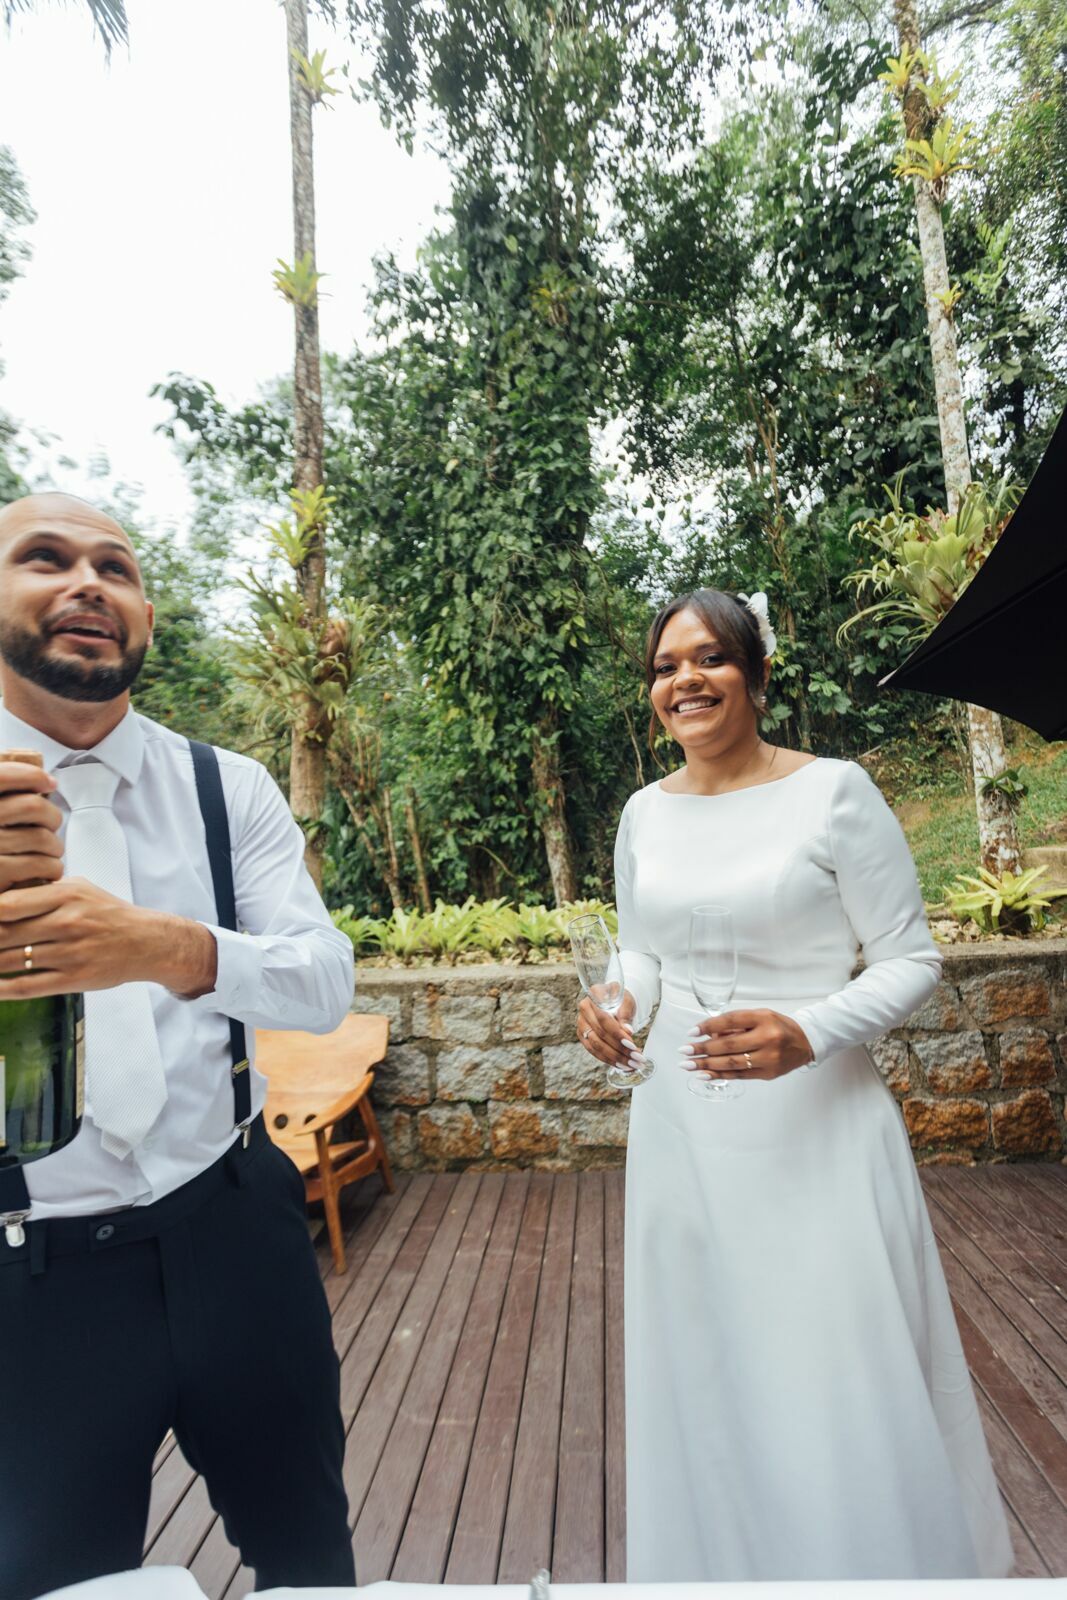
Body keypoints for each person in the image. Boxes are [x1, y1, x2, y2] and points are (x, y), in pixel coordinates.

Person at [576, 586, 1012, 1583]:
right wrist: (615, 1002)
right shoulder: (643, 813)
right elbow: (644, 955)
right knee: (711, 1376)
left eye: (708, 658)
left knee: (831, 1378)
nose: (683, 680)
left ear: (756, 674)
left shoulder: (833, 793)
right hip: (682, 1136)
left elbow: (910, 958)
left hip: (816, 1135)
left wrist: (808, 1030)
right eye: (662, 666)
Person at [0, 493, 357, 1599]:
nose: (89, 584)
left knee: (309, 1553)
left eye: (117, 566)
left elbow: (321, 979)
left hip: (234, 1224)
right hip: (33, 1273)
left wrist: (165, 945)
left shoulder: (226, 787)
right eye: (44, 558)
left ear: (144, 614)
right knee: (50, 1581)